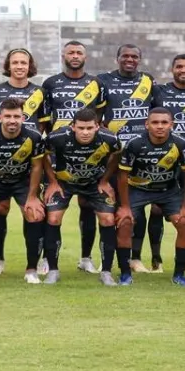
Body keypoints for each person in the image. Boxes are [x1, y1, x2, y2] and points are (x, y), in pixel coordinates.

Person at [41, 41, 106, 274]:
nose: (75, 56)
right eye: (71, 52)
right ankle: (47, 259)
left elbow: (99, 117)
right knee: (51, 208)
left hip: (88, 155)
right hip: (60, 155)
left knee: (88, 206)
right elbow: (45, 118)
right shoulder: (50, 83)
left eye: (79, 52)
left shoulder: (96, 83)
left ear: (85, 57)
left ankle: (86, 258)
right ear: (63, 56)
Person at [116, 108, 185, 286]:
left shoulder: (181, 144)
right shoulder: (134, 144)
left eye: (164, 122)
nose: (160, 126)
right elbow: (122, 176)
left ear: (171, 125)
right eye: (155, 122)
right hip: (137, 190)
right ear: (147, 124)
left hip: (168, 191)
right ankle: (125, 274)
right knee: (124, 222)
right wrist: (124, 206)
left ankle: (179, 275)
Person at [0, 48, 46, 275]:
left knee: (32, 210)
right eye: (15, 62)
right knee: (1, 208)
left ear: (30, 66)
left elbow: (42, 124)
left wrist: (27, 146)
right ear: (8, 65)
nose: (19, 66)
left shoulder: (40, 92)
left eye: (23, 63)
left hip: (27, 163)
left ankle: (36, 262)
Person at [0, 98, 47, 282]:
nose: (12, 121)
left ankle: (31, 270)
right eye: (8, 116)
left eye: (16, 116)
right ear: (0, 118)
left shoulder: (34, 137)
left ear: (23, 118)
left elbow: (37, 166)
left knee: (35, 214)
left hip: (22, 182)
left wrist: (32, 197)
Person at [145, 53, 185, 274]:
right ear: (172, 69)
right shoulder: (159, 91)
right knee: (156, 208)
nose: (183, 70)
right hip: (164, 158)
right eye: (179, 66)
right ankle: (156, 259)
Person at [44, 108, 123, 286]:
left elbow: (117, 155)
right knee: (53, 217)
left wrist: (105, 180)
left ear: (97, 127)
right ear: (73, 127)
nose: (85, 132)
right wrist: (53, 182)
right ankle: (53, 271)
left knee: (108, 219)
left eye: (89, 128)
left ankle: (106, 272)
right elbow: (43, 155)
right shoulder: (57, 137)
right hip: (64, 182)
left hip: (94, 183)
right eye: (81, 128)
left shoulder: (109, 139)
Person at [98, 44, 156, 271]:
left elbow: (158, 111)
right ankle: (104, 258)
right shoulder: (103, 81)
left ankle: (136, 258)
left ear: (140, 59)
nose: (129, 59)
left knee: (137, 210)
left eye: (134, 56)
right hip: (113, 155)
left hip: (141, 156)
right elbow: (97, 114)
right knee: (108, 210)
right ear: (117, 58)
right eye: (125, 56)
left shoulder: (148, 81)